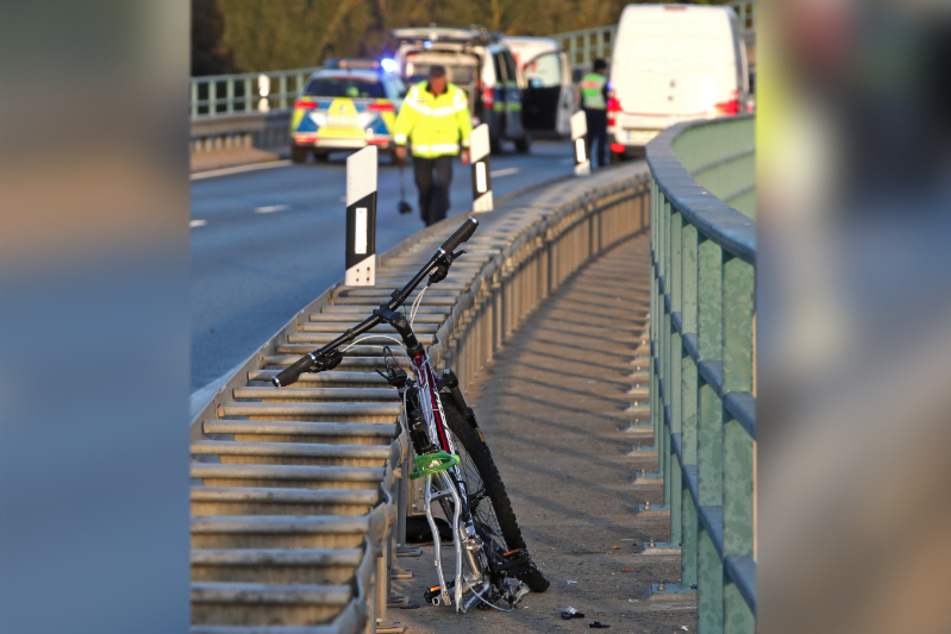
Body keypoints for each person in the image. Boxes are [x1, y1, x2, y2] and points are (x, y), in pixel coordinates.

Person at [394, 66, 472, 226]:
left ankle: (438, 217)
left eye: (442, 82)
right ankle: (426, 215)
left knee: (443, 184)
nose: (439, 86)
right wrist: (400, 143)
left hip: (446, 149)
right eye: (436, 83)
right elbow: (405, 118)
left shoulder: (456, 95)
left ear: (445, 80)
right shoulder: (416, 93)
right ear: (431, 80)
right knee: (424, 186)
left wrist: (467, 145)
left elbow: (465, 121)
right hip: (420, 149)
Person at [580, 58, 609, 168]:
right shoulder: (602, 80)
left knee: (589, 138)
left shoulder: (586, 79)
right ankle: (600, 163)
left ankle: (586, 162)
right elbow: (606, 97)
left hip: (587, 111)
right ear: (601, 69)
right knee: (601, 138)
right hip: (600, 111)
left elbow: (582, 98)